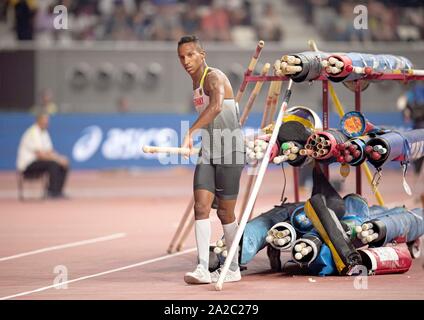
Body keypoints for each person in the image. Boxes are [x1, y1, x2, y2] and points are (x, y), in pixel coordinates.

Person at [178, 35, 245, 284]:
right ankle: (202, 268)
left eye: (190, 55)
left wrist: (190, 131)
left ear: (202, 54)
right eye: (181, 57)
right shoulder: (195, 84)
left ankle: (233, 268)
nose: (186, 60)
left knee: (226, 214)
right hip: (209, 152)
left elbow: (216, 106)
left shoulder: (213, 77)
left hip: (231, 150)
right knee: (201, 207)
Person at [16, 112, 69, 199]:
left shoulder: (44, 133)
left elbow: (49, 151)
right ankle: (52, 192)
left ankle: (58, 191)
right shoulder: (33, 132)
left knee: (64, 164)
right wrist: (57, 160)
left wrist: (60, 158)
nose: (47, 122)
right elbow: (40, 155)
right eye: (44, 120)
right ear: (38, 120)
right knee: (54, 164)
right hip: (28, 164)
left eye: (47, 120)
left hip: (38, 162)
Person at [398, 83, 424, 207]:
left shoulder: (414, 91)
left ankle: (420, 195)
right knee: (418, 164)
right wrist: (405, 112)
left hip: (418, 131)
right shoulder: (414, 90)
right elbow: (402, 105)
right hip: (418, 133)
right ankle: (419, 195)